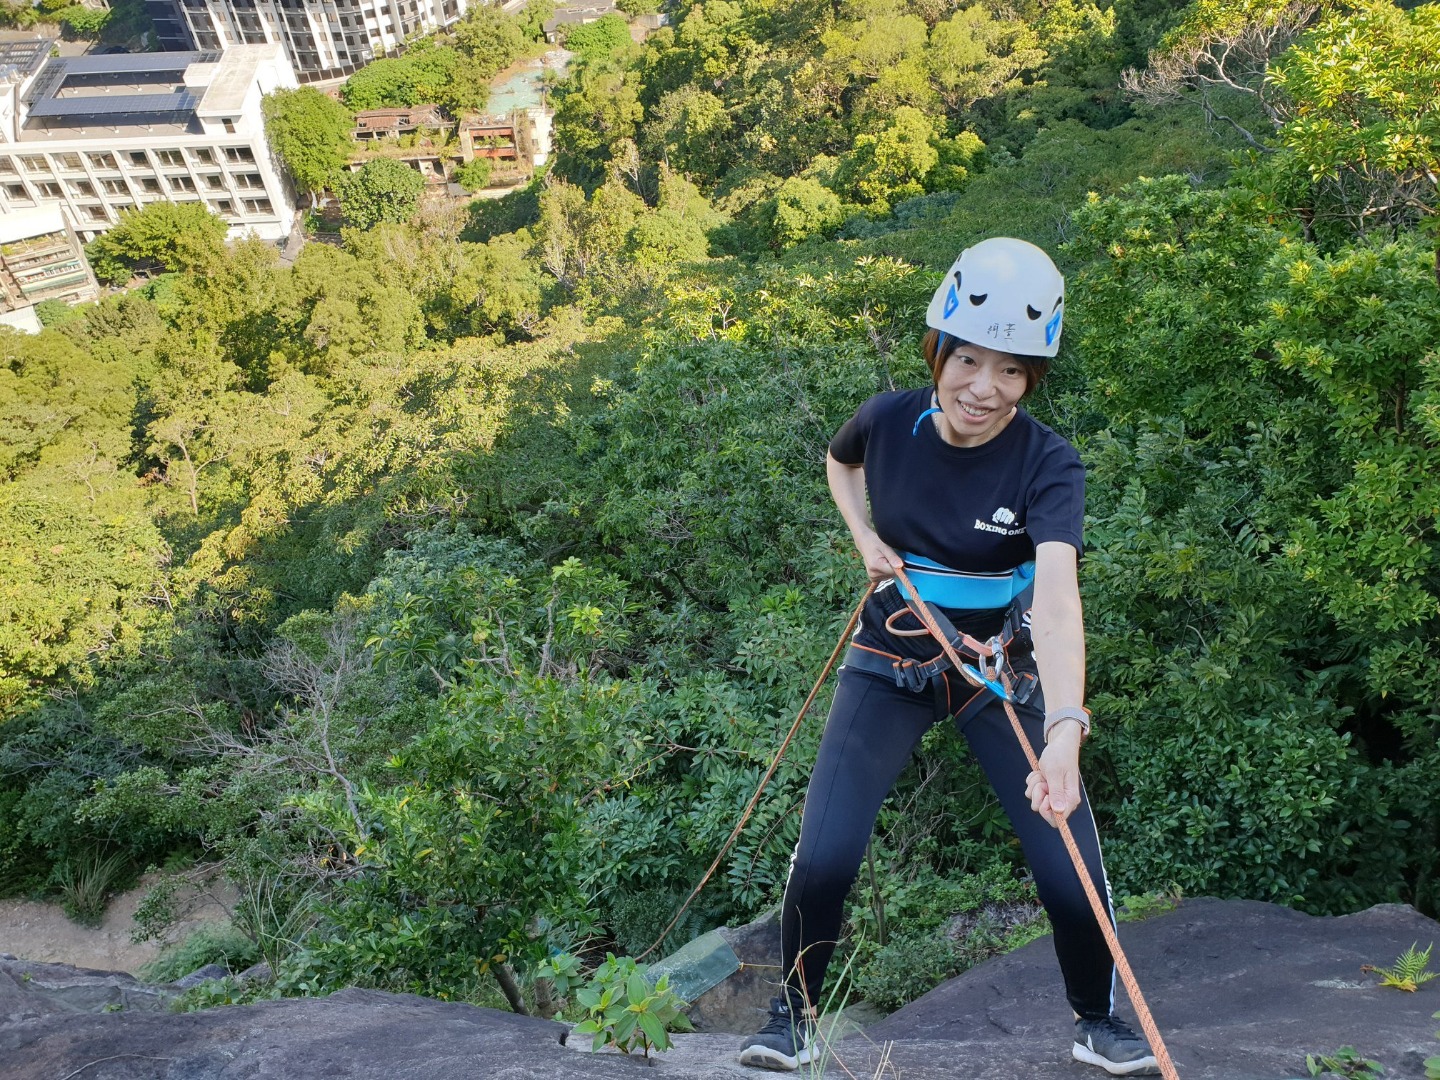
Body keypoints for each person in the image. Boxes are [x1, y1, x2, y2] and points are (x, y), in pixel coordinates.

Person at [737, 238, 1159, 1076]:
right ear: (938, 350)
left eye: (1011, 370)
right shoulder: (887, 420)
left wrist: (1066, 732)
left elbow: (1057, 597)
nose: (983, 388)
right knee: (825, 854)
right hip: (889, 656)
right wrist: (863, 536)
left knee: (1068, 861)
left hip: (996, 671)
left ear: (1033, 377)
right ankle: (795, 1018)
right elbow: (839, 462)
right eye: (967, 359)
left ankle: (1097, 1021)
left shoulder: (1047, 463)